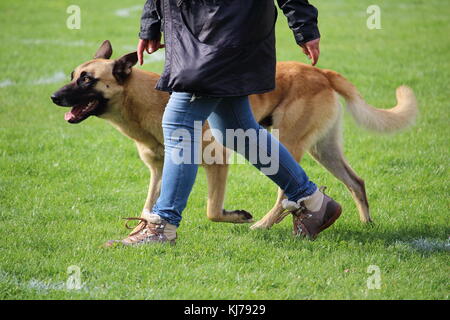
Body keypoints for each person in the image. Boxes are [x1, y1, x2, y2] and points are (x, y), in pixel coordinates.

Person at [114, 0, 341, 245]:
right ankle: (310, 200)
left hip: (228, 27)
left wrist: (304, 25)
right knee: (235, 130)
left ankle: (162, 226)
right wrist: (152, 22)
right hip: (197, 30)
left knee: (180, 122)